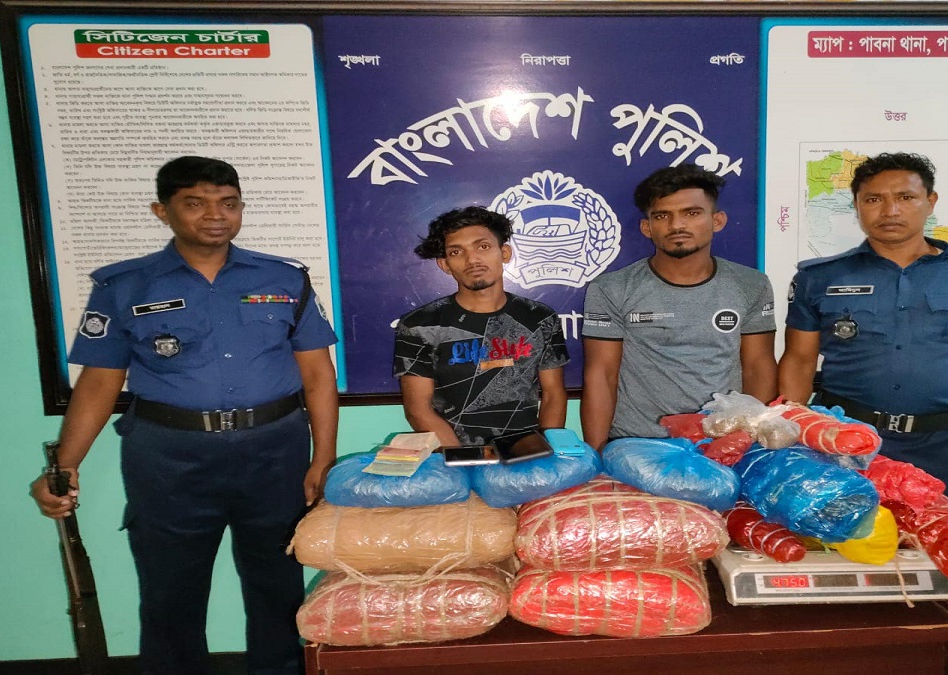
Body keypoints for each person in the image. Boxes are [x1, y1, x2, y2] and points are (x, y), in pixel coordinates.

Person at [29, 156, 339, 675]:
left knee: (279, 583)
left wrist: (323, 458)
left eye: (228, 203)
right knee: (170, 589)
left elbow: (318, 375)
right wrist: (65, 464)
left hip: (274, 452)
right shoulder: (124, 286)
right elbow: (100, 382)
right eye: (195, 203)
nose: (215, 215)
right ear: (162, 211)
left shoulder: (284, 279)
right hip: (169, 458)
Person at [779, 151, 948, 511]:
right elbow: (798, 361)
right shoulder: (819, 278)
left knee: (941, 544)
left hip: (947, 452)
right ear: (857, 205)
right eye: (873, 199)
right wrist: (789, 438)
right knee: (843, 542)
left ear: (930, 202)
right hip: (844, 449)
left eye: (905, 197)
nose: (890, 211)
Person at [580, 164, 778, 449]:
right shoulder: (611, 288)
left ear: (717, 221)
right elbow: (601, 375)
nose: (676, 226)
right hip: (637, 445)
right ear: (647, 227)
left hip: (723, 444)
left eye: (692, 213)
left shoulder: (751, 285)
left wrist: (753, 443)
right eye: (662, 216)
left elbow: (758, 367)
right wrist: (597, 454)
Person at [394, 205, 569, 446]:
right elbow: (418, 410)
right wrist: (464, 459)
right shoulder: (419, 325)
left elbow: (553, 394)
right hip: (450, 455)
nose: (472, 259)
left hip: (526, 454)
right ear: (445, 264)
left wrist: (545, 451)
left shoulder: (540, 317)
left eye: (483, 247)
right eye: (456, 252)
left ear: (504, 253)